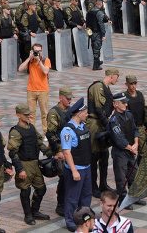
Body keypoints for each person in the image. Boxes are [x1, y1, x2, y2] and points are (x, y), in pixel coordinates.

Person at [7, 104, 54, 225]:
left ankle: (35, 211)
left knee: (41, 188)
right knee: (25, 190)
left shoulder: (31, 127)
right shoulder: (16, 132)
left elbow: (39, 142)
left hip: (35, 162)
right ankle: (28, 215)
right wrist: (20, 169)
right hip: (24, 164)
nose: (28, 116)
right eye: (25, 114)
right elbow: (13, 152)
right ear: (18, 115)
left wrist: (49, 153)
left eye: (29, 114)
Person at [60, 98, 92, 232]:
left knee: (86, 196)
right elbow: (67, 153)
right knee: (72, 198)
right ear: (79, 113)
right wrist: (74, 171)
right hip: (76, 169)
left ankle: (84, 219)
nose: (87, 114)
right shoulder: (67, 131)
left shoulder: (83, 126)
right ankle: (70, 221)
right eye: (85, 112)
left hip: (86, 168)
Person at [87, 68, 119, 197]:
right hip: (95, 123)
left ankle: (103, 184)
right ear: (111, 76)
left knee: (104, 155)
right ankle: (93, 186)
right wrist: (107, 124)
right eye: (117, 77)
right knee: (94, 156)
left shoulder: (106, 87)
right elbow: (99, 109)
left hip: (102, 122)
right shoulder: (98, 86)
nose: (117, 79)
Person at [107, 92, 139, 209]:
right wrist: (131, 148)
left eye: (125, 102)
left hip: (131, 150)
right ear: (115, 104)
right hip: (120, 152)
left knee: (134, 174)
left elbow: (135, 130)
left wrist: (136, 143)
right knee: (121, 178)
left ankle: (134, 196)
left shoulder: (129, 115)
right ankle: (123, 200)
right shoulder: (114, 120)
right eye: (123, 102)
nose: (126, 104)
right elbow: (119, 138)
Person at [46, 87, 72, 216]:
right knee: (63, 177)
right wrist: (57, 150)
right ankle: (60, 204)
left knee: (69, 176)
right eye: (67, 99)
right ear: (61, 97)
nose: (70, 101)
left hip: (70, 149)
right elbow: (50, 133)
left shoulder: (70, 110)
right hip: (61, 150)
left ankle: (68, 201)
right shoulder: (54, 112)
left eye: (71, 98)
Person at [18, 42, 51, 133]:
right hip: (31, 90)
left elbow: (45, 71)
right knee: (31, 114)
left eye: (39, 51)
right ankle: (33, 133)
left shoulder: (45, 60)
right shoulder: (30, 61)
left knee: (44, 113)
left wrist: (39, 61)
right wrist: (29, 58)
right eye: (36, 51)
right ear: (32, 51)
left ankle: (45, 133)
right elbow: (20, 69)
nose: (38, 53)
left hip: (43, 90)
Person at [123, 75, 147, 149]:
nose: (133, 86)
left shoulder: (140, 94)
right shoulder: (124, 97)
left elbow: (145, 112)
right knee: (130, 151)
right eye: (131, 84)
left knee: (144, 151)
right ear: (126, 84)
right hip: (129, 129)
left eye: (135, 83)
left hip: (140, 128)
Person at [85, 0, 110, 70]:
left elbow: (87, 23)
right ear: (100, 4)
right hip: (97, 32)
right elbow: (101, 24)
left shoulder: (89, 11)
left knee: (94, 47)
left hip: (91, 32)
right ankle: (96, 65)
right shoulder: (99, 12)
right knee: (97, 48)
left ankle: (98, 61)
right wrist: (103, 34)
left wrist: (89, 33)